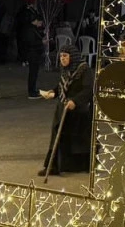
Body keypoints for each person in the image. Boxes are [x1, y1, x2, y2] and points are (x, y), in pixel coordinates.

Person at [38, 45, 94, 176]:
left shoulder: (84, 70)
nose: (62, 59)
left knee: (79, 140)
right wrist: (53, 92)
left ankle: (80, 165)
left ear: (72, 57)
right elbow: (62, 85)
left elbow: (88, 89)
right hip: (63, 107)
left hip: (78, 110)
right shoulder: (65, 70)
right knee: (58, 136)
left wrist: (75, 101)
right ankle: (53, 166)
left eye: (65, 56)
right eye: (61, 56)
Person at [20, 11, 46, 99]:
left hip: (35, 53)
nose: (41, 24)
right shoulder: (29, 30)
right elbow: (31, 42)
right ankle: (31, 92)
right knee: (33, 73)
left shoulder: (34, 29)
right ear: (36, 21)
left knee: (34, 73)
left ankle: (33, 90)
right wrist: (41, 42)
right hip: (32, 54)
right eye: (40, 22)